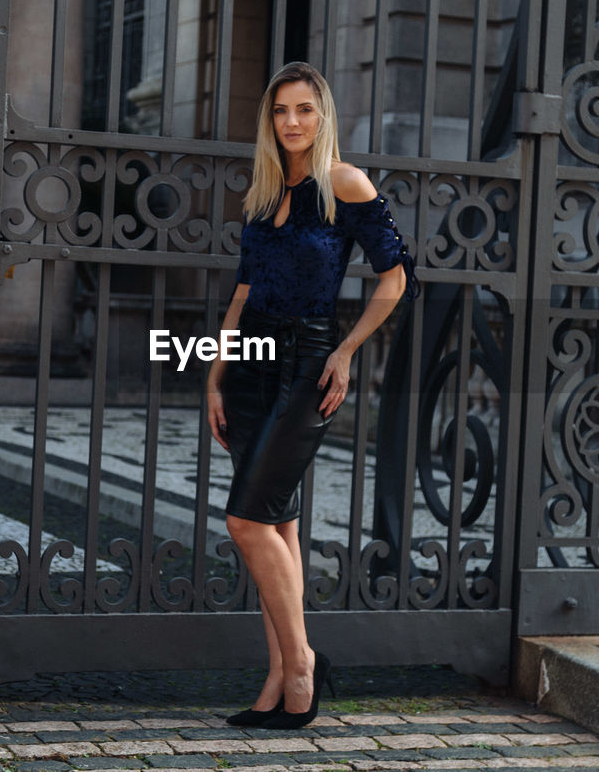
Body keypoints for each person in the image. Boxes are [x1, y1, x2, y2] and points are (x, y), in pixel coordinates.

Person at [205, 61, 418, 730]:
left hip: (307, 358)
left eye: (303, 109)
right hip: (250, 361)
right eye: (280, 111)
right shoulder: (266, 191)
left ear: (322, 114)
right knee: (279, 521)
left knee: (246, 520)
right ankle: (280, 673)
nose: (291, 122)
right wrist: (216, 369)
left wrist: (348, 350)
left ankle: (301, 664)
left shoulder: (343, 183)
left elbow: (396, 276)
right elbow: (243, 290)